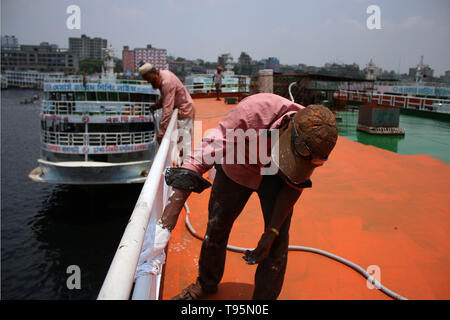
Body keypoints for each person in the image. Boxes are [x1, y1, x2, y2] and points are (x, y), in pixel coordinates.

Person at [159, 93, 338, 300]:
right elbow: (211, 145)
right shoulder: (253, 111)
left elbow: (294, 186)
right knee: (217, 225)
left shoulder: (315, 144)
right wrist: (173, 206)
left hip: (278, 175)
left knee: (278, 240)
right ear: (287, 125)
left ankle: (264, 301)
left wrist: (271, 231)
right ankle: (205, 283)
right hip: (239, 163)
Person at [139, 63, 195, 159]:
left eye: (149, 79)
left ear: (154, 72)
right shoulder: (163, 75)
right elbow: (165, 98)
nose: (149, 82)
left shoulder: (166, 82)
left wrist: (162, 131)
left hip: (185, 111)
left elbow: (167, 107)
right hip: (182, 111)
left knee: (185, 144)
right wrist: (157, 105)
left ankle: (187, 168)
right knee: (181, 143)